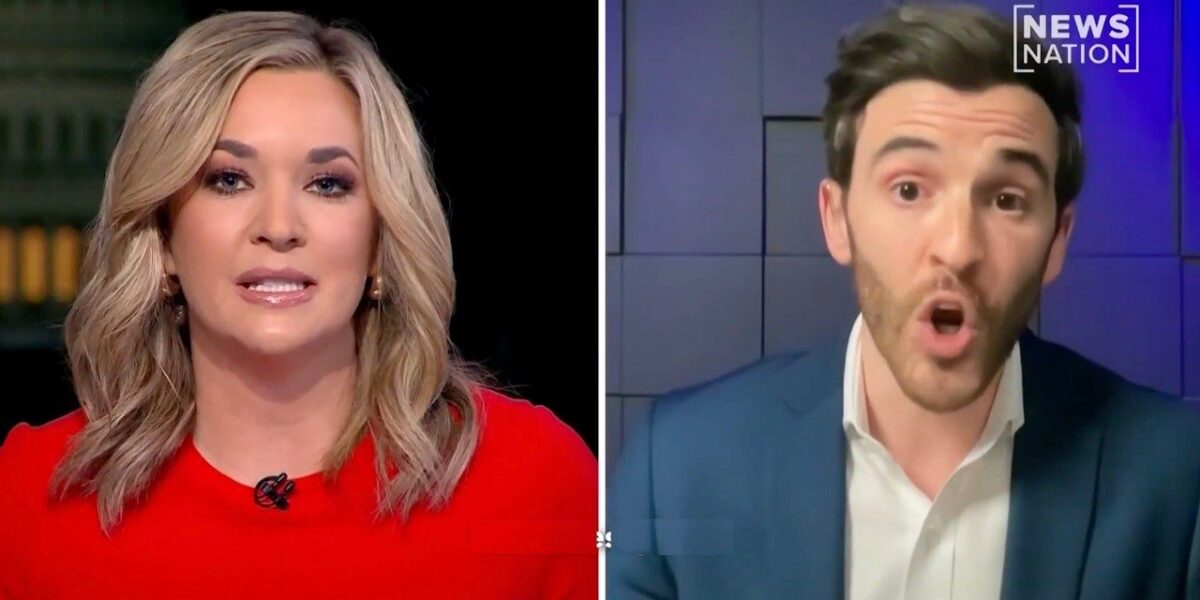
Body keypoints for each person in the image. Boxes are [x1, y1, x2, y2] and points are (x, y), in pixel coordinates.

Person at [607, 4, 1200, 599]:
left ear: (1057, 240)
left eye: (1007, 199)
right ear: (837, 218)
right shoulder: (677, 466)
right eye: (910, 189)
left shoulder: (1177, 473)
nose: (958, 248)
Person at [0, 11, 596, 599]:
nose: (280, 227)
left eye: (327, 184)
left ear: (380, 241)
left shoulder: (533, 479)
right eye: (229, 180)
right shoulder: (29, 496)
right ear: (163, 236)